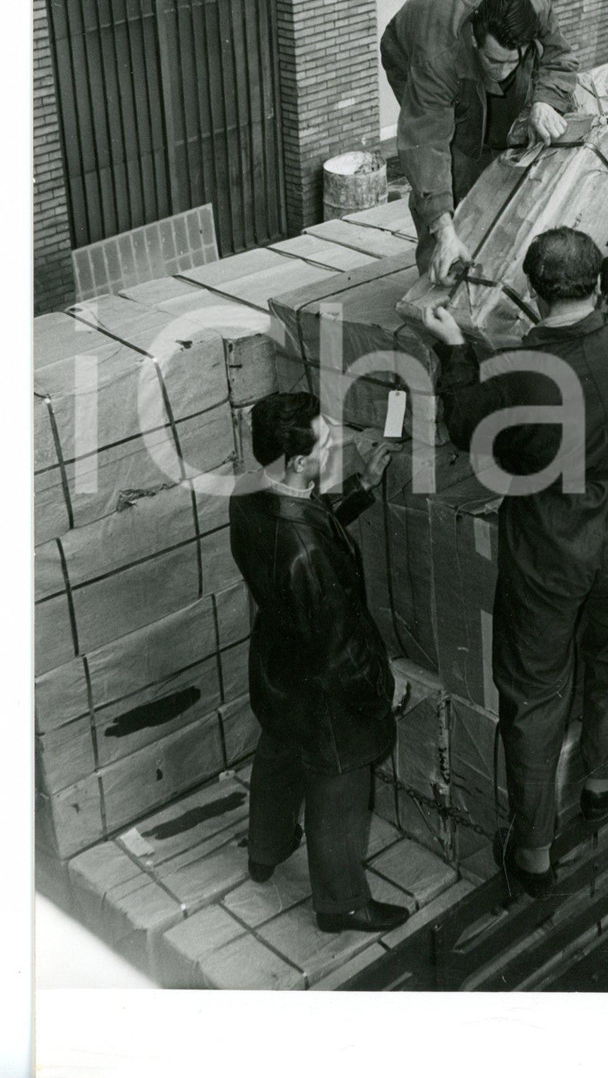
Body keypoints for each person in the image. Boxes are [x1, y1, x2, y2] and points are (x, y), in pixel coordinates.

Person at [419, 154, 608, 899]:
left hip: (548, 541)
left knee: (535, 693)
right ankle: (600, 782)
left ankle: (534, 853)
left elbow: (468, 430)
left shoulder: (516, 374)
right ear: (599, 286)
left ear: (534, 295)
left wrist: (452, 350)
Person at [228, 394, 410, 934]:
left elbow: (305, 518)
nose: (335, 448)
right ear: (297, 461)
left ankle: (265, 850)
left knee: (280, 751)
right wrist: (383, 687)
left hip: (278, 663)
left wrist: (362, 485)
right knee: (339, 785)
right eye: (325, 445)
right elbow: (340, 649)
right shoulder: (304, 551)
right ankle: (341, 904)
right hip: (325, 685)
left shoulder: (250, 490)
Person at [380, 0, 579, 283]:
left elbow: (560, 59)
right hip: (413, 52)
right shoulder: (436, 57)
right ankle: (441, 267)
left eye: (511, 61)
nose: (501, 72)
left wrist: (546, 101)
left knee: (510, 139)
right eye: (493, 60)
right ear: (474, 39)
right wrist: (444, 231)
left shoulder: (538, 9)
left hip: (475, 53)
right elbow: (426, 142)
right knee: (456, 157)